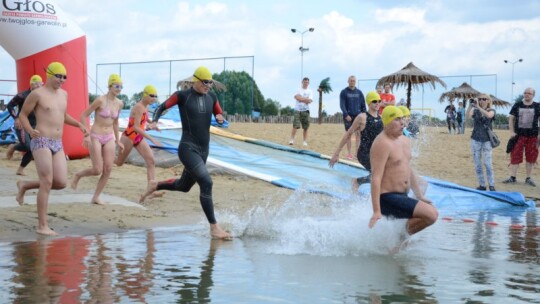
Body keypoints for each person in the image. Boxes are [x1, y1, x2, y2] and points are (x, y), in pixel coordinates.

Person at [139, 66, 231, 240]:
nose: (208, 86)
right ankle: (214, 228)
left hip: (204, 150)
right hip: (188, 148)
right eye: (205, 82)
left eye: (210, 83)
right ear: (195, 80)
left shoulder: (212, 97)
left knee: (184, 186)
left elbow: (219, 114)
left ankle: (155, 185)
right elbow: (161, 107)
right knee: (206, 182)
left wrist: (220, 119)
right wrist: (155, 121)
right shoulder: (182, 96)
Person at [16, 62, 88, 236]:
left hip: (57, 142)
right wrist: (29, 130)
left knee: (60, 182)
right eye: (58, 76)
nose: (61, 80)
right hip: (40, 139)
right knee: (47, 181)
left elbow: (62, 115)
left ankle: (25, 186)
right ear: (49, 74)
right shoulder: (37, 94)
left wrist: (78, 124)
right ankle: (42, 226)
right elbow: (23, 115)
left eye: (64, 77)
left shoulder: (64, 94)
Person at [368, 106, 438, 236]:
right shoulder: (382, 143)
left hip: (402, 196)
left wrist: (419, 195)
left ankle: (397, 243)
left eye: (402, 119)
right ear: (387, 123)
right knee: (432, 214)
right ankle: (400, 238)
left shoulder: (404, 140)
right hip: (387, 198)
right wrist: (376, 210)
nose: (402, 123)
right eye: (397, 119)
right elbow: (375, 178)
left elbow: (408, 169)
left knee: (427, 215)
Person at [71, 74, 125, 204]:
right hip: (95, 135)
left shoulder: (120, 103)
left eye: (121, 86)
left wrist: (118, 140)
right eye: (116, 86)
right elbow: (83, 115)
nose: (119, 89)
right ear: (110, 86)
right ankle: (78, 175)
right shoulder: (100, 100)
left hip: (109, 136)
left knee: (108, 168)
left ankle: (96, 196)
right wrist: (87, 134)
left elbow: (116, 123)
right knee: (97, 170)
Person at [114, 84, 163, 194]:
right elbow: (136, 127)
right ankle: (105, 160)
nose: (154, 98)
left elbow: (144, 118)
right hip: (129, 137)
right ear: (145, 95)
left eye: (155, 96)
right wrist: (152, 139)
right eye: (151, 96)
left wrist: (152, 124)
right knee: (119, 162)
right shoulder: (139, 106)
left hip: (138, 137)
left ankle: (152, 189)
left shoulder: (146, 106)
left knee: (151, 161)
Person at [329, 90, 382, 191]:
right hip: (364, 153)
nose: (377, 103)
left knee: (382, 174)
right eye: (375, 101)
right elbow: (348, 135)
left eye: (379, 101)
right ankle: (357, 182)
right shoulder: (362, 117)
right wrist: (336, 153)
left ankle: (360, 183)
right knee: (378, 175)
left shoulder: (381, 118)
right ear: (369, 103)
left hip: (376, 153)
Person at [5, 75, 43, 175]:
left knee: (33, 148)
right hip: (21, 123)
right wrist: (16, 118)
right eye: (37, 85)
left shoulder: (42, 96)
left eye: (41, 85)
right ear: (32, 85)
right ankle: (13, 147)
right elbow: (10, 105)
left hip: (35, 125)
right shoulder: (22, 95)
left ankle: (20, 169)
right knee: (27, 146)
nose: (40, 87)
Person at [503, 87, 540, 186]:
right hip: (518, 135)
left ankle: (528, 178)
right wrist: (511, 132)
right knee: (515, 155)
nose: (526, 94)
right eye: (525, 93)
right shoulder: (518, 105)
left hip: (533, 136)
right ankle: (512, 177)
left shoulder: (537, 106)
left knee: (531, 157)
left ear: (533, 95)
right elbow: (511, 118)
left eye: (529, 93)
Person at [467, 94, 496, 191]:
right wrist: (471, 105)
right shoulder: (475, 110)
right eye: (480, 99)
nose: (482, 100)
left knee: (488, 163)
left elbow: (488, 115)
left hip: (487, 140)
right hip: (475, 139)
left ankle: (491, 185)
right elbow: (468, 115)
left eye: (484, 99)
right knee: (478, 164)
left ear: (488, 101)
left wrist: (478, 107)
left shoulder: (491, 110)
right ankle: (482, 185)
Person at [338, 75, 366, 159]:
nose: (352, 82)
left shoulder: (359, 92)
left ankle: (357, 153)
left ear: (355, 81)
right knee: (348, 135)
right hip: (348, 117)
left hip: (358, 116)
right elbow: (342, 104)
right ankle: (349, 153)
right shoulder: (344, 92)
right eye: (351, 80)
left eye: (353, 80)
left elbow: (363, 105)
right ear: (348, 81)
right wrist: (346, 114)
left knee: (358, 135)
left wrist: (364, 114)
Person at [288, 77, 313, 147]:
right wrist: (306, 99)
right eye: (305, 82)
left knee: (306, 127)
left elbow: (310, 101)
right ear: (302, 82)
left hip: (306, 110)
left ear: (308, 83)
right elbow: (297, 97)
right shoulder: (298, 90)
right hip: (298, 110)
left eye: (307, 82)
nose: (306, 83)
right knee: (295, 125)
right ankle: (292, 139)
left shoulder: (310, 91)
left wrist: (301, 98)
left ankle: (305, 141)